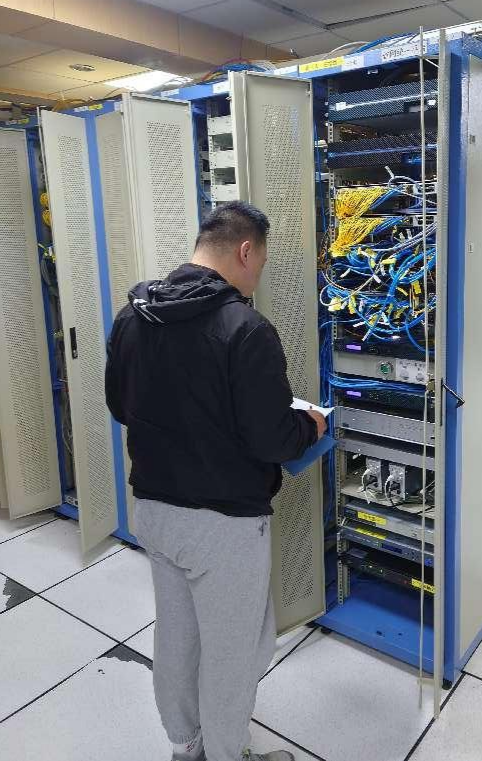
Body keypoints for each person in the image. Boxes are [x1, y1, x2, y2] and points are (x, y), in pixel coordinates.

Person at [105, 201, 326, 761]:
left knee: (176, 638)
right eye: (261, 265)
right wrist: (310, 425)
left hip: (154, 511)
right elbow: (273, 440)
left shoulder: (134, 315)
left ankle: (187, 746)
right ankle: (228, 754)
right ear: (246, 251)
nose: (257, 279)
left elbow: (120, 405)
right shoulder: (246, 330)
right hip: (222, 525)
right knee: (233, 653)